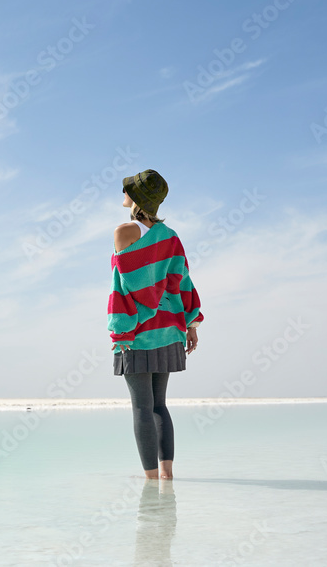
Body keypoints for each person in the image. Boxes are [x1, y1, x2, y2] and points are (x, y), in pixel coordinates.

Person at [108, 169, 204, 480]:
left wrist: (120, 330)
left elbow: (123, 287)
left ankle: (149, 481)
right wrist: (190, 325)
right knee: (160, 405)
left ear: (136, 198)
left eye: (127, 190)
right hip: (169, 331)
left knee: (141, 408)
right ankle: (167, 475)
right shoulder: (171, 237)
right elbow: (182, 282)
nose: (123, 194)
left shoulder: (124, 232)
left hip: (137, 333)